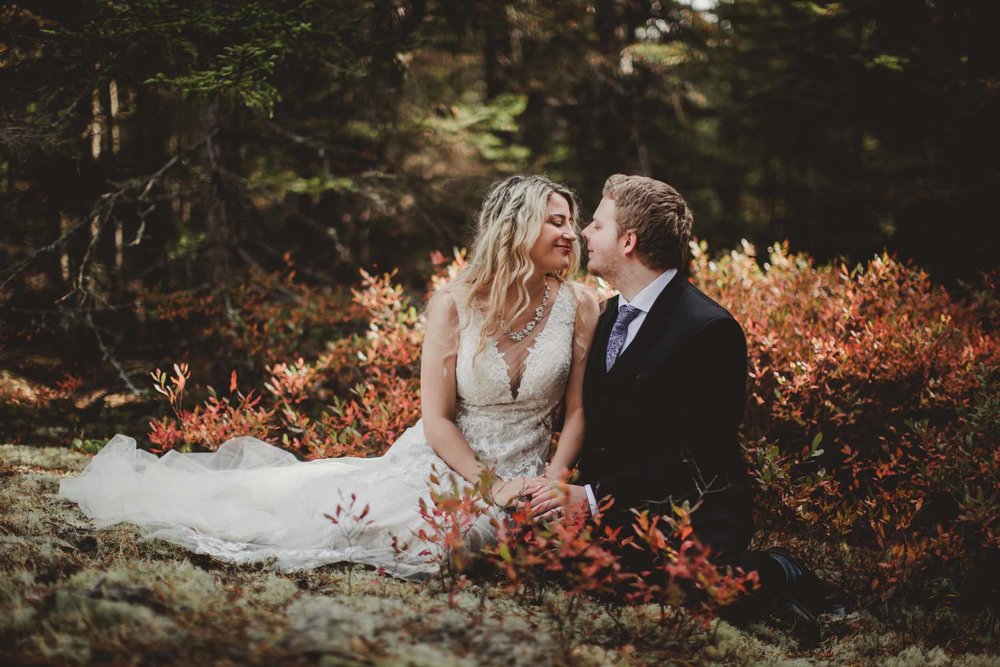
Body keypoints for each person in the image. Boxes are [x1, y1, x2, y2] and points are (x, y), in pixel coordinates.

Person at [59, 175, 600, 579]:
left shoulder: (581, 304)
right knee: (402, 534)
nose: (571, 233)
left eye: (572, 222)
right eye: (556, 221)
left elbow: (576, 410)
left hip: (533, 473)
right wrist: (492, 486)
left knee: (515, 551)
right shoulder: (455, 304)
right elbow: (435, 419)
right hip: (449, 464)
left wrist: (551, 481)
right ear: (515, 227)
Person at [529, 174, 844, 641]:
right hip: (613, 509)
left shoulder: (710, 329)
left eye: (596, 224)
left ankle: (781, 571)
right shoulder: (608, 314)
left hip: (694, 507)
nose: (583, 235)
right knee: (546, 564)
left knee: (689, 588)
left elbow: (695, 456)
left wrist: (592, 497)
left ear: (629, 241)